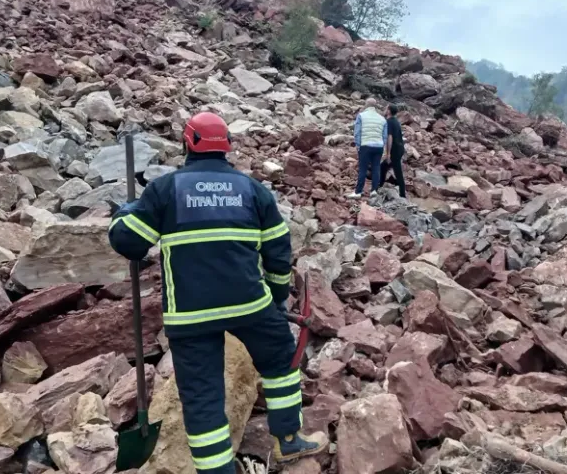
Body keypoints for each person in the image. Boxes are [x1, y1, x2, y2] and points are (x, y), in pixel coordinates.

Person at [108, 112, 327, 473]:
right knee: (281, 363)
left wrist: (123, 213)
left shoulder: (165, 190)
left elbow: (129, 243)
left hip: (190, 316)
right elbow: (277, 248)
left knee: (201, 395)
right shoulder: (252, 190)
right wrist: (275, 295)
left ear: (188, 142)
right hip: (249, 305)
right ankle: (288, 440)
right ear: (226, 145)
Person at [347, 97, 387, 199]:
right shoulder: (382, 119)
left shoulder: (361, 116)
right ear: (375, 106)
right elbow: (385, 135)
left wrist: (358, 145)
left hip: (366, 145)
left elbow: (357, 132)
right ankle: (374, 191)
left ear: (366, 105)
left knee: (363, 169)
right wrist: (382, 145)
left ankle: (358, 192)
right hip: (378, 146)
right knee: (376, 168)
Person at [379, 103, 406, 198]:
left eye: (386, 108)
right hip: (400, 148)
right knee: (383, 167)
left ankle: (403, 195)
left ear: (389, 111)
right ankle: (379, 185)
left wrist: (388, 154)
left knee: (398, 172)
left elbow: (389, 138)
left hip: (394, 150)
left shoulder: (389, 122)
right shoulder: (396, 121)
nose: (385, 109)